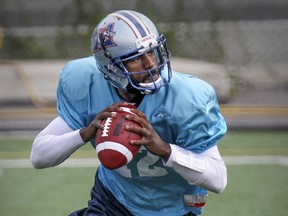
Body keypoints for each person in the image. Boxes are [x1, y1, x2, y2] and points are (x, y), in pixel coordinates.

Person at [30, 10, 227, 216]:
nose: (151, 64)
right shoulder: (87, 82)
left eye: (152, 51)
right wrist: (85, 133)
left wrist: (165, 149)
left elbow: (218, 179)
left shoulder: (187, 96)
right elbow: (39, 156)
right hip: (114, 200)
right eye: (136, 58)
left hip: (174, 208)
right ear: (111, 68)